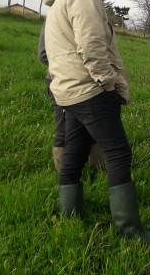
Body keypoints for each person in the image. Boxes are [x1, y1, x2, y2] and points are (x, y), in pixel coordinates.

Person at [43, 0, 150, 242]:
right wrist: (107, 83)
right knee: (119, 153)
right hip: (89, 90)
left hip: (67, 89)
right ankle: (130, 231)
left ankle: (71, 216)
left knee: (75, 153)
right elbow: (91, 44)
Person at [38, 26, 105, 173]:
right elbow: (43, 54)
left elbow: (43, 55)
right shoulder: (56, 18)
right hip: (69, 82)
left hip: (81, 82)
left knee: (92, 125)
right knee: (66, 128)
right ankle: (65, 174)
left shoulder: (88, 14)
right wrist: (73, 67)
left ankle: (95, 170)